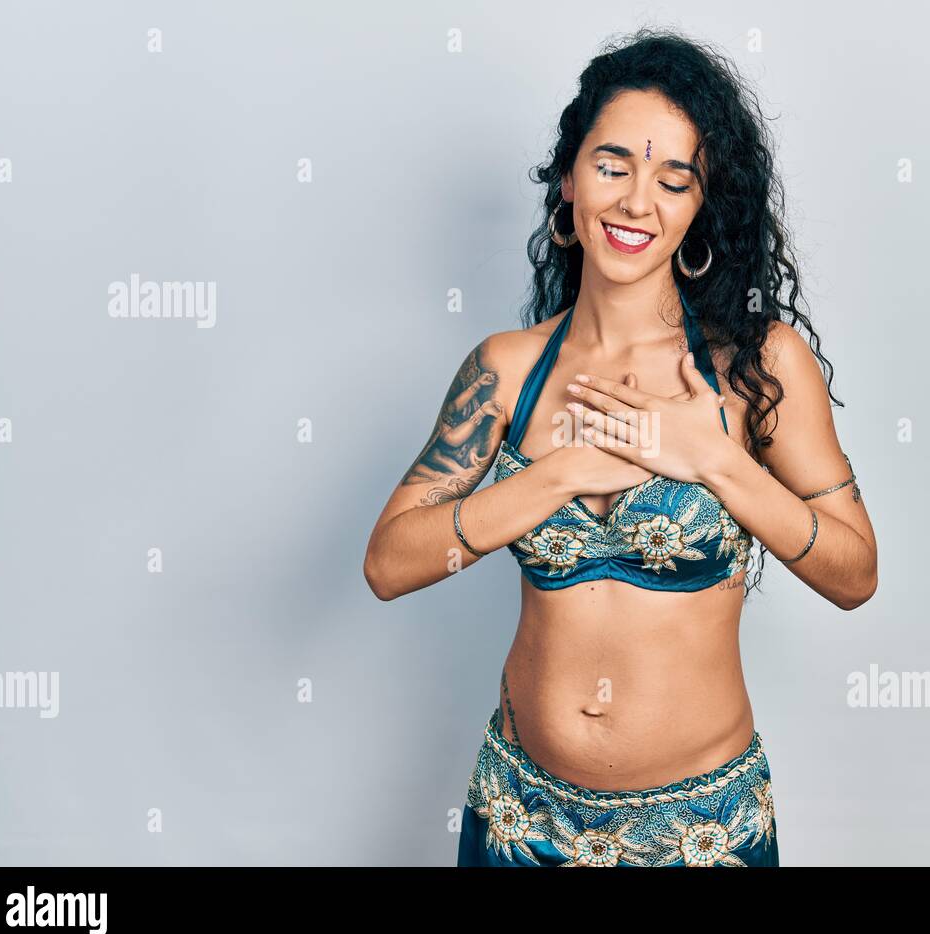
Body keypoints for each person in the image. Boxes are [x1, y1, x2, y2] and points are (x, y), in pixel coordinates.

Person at [363, 29, 877, 867]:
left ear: (700, 206)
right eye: (613, 167)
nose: (639, 202)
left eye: (674, 180)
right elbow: (388, 564)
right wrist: (560, 474)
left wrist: (714, 461)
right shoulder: (507, 370)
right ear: (568, 181)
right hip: (520, 823)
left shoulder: (757, 366)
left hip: (703, 835)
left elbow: (856, 576)